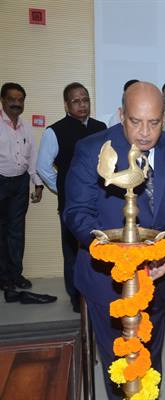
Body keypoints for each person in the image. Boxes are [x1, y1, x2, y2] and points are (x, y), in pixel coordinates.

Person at [63, 82, 165, 399]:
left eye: (154, 122)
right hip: (107, 280)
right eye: (136, 121)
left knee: (150, 351)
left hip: (158, 276)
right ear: (121, 115)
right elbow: (78, 212)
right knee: (120, 360)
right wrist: (113, 254)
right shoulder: (93, 149)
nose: (145, 133)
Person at [36, 82, 107, 312]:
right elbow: (43, 167)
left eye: (85, 100)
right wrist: (63, 187)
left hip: (100, 201)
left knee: (100, 248)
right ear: (66, 105)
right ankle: (76, 297)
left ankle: (98, 293)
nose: (82, 105)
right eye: (76, 101)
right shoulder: (54, 131)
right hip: (71, 204)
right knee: (73, 252)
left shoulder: (100, 127)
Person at [0, 82, 43, 292]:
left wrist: (38, 183)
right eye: (12, 99)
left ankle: (16, 274)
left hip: (20, 184)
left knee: (17, 232)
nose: (16, 103)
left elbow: (32, 157)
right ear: (3, 100)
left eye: (20, 100)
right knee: (1, 232)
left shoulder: (26, 126)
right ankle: (3, 277)